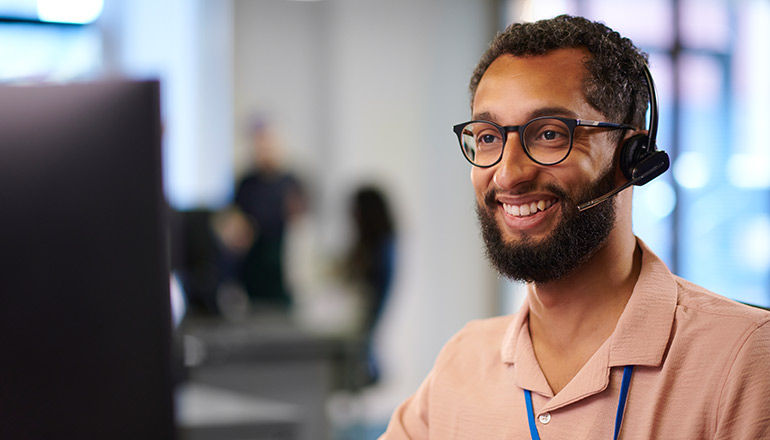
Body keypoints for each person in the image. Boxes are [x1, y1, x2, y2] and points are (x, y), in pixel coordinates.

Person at [381, 15, 770, 439]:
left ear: (631, 155)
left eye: (549, 133)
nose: (508, 175)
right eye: (489, 136)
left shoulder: (743, 358)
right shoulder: (464, 362)